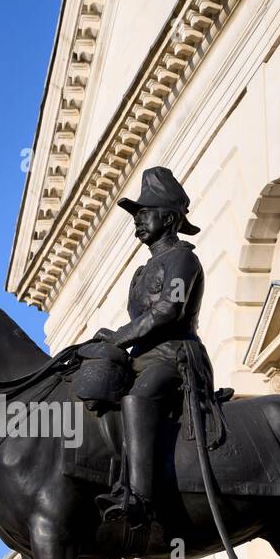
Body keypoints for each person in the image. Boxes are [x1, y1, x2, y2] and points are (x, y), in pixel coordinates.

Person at [94, 166, 218, 529]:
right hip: (142, 359)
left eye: (144, 213)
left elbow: (168, 311)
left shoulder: (183, 259)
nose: (137, 221)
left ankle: (140, 500)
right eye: (136, 215)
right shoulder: (139, 272)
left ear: (168, 217)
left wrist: (119, 335)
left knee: (137, 398)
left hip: (175, 359)